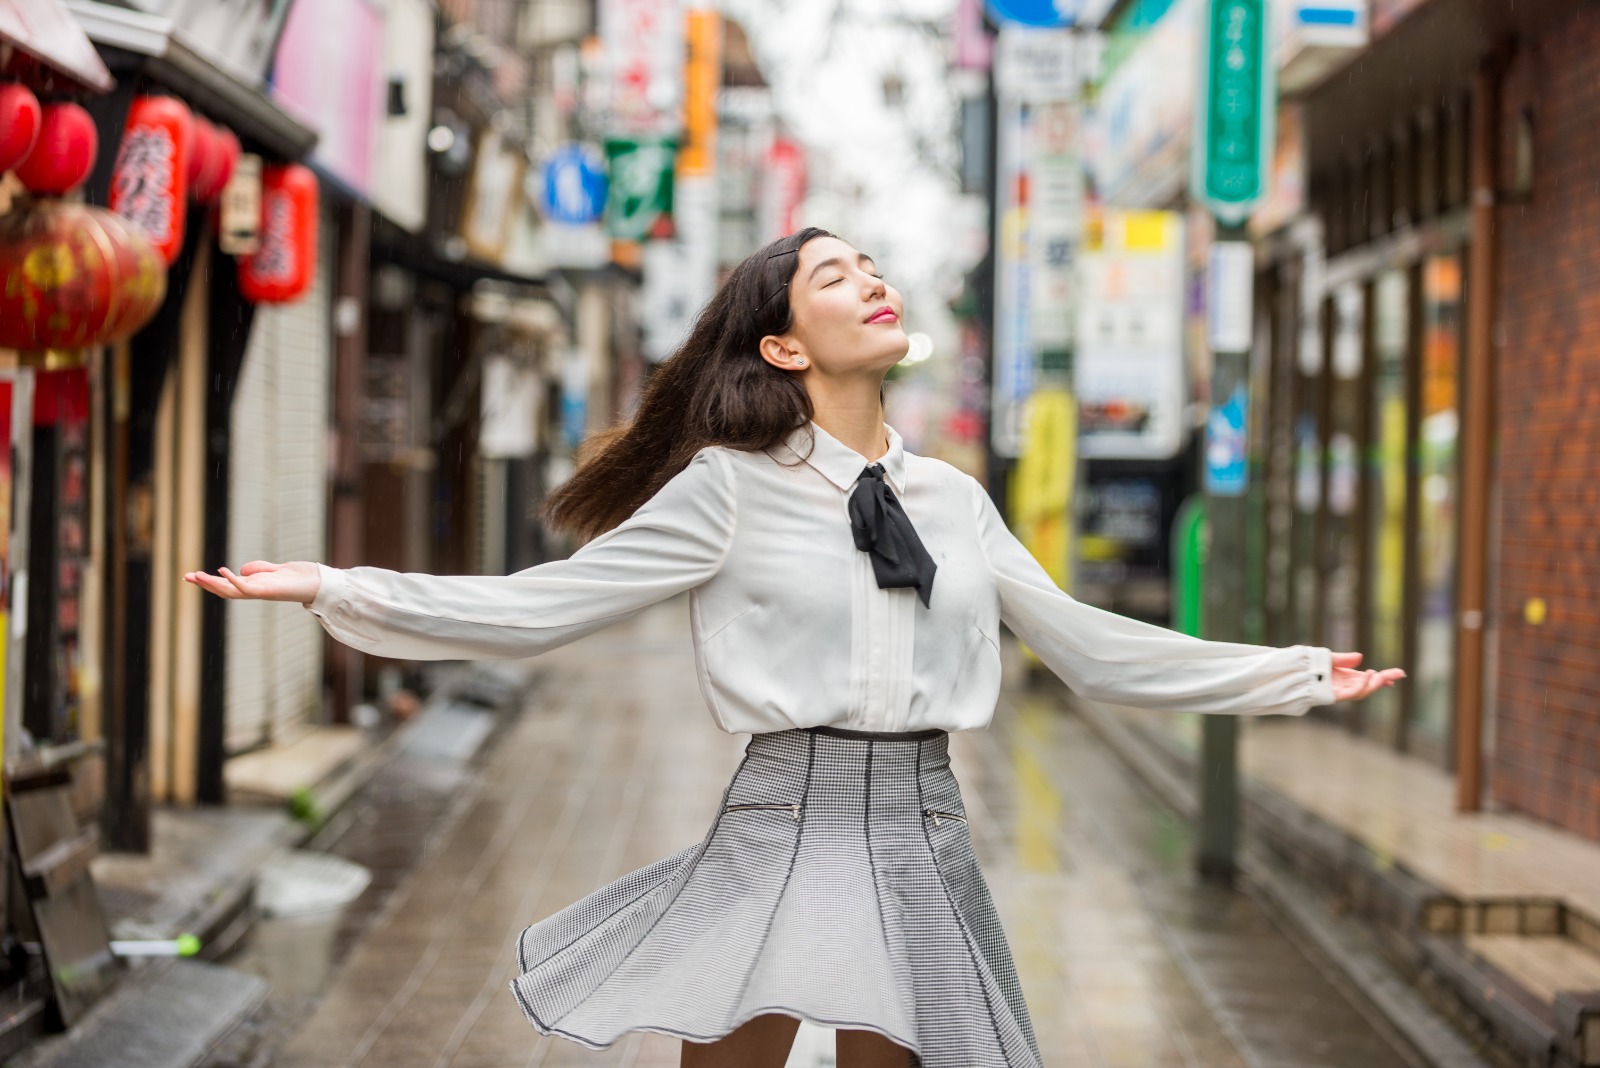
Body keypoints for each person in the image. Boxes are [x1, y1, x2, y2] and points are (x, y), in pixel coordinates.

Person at [187, 227, 1403, 1068]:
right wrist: (332, 589)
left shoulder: (955, 502)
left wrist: (1290, 673)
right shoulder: (726, 491)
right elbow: (538, 606)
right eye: (834, 276)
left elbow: (1092, 651)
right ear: (781, 344)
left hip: (926, 833)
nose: (872, 281)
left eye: (874, 268)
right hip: (781, 823)